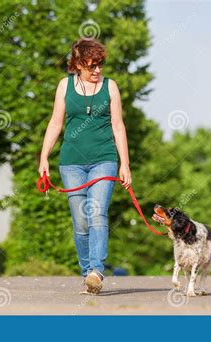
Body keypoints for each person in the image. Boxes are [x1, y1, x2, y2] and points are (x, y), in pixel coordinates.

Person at [39, 38, 132, 294]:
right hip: (72, 164)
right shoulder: (64, 86)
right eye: (92, 66)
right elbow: (56, 123)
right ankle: (86, 274)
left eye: (100, 65)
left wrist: (125, 163)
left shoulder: (110, 87)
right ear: (78, 64)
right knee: (80, 221)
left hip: (104, 160)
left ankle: (96, 271)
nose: (97, 71)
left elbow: (118, 126)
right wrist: (44, 157)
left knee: (97, 213)